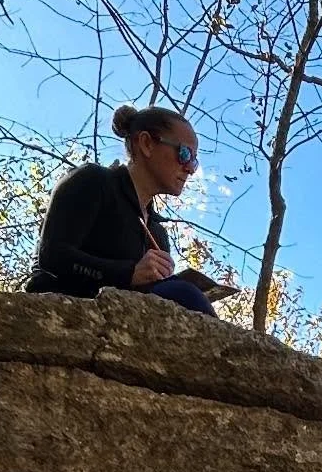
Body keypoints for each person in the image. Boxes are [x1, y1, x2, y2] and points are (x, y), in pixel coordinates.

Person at [26, 103, 218, 316]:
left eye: (195, 160)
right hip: (59, 313)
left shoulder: (157, 232)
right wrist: (129, 273)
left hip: (122, 326)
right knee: (184, 293)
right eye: (184, 153)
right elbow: (52, 256)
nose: (190, 168)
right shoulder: (93, 181)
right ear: (146, 144)